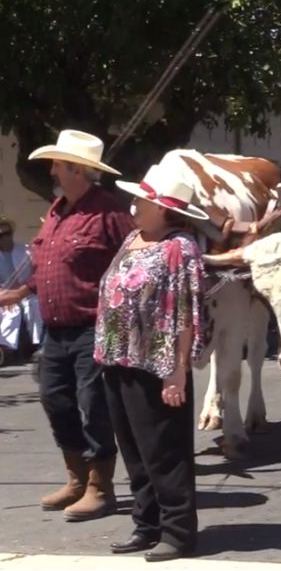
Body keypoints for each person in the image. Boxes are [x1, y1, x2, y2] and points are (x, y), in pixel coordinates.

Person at [0, 130, 133, 520]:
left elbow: (130, 265)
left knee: (94, 407)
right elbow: (46, 266)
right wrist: (21, 291)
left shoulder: (110, 213)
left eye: (58, 163)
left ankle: (100, 487)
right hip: (55, 331)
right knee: (56, 401)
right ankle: (76, 478)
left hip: (93, 325)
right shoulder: (57, 210)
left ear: (77, 169)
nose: (52, 169)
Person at [96, 164, 207, 561]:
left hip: (156, 365)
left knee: (164, 451)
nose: (134, 205)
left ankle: (178, 532)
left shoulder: (179, 248)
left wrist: (178, 371)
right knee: (134, 450)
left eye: (141, 200)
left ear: (162, 209)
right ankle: (147, 524)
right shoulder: (132, 239)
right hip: (119, 358)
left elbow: (183, 314)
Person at [0, 216, 43, 359]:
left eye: (7, 233)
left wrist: (22, 291)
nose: (4, 237)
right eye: (0, 235)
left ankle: (38, 346)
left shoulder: (26, 251)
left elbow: (36, 274)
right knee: (11, 311)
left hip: (26, 293)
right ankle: (5, 348)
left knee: (35, 304)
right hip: (4, 294)